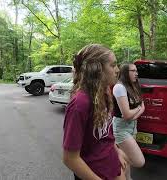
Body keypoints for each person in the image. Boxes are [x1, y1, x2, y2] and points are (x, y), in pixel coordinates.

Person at [62, 44, 127, 180]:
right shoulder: (80, 104)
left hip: (112, 165)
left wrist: (117, 151)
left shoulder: (105, 92)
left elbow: (106, 134)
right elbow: (70, 158)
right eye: (113, 65)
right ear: (97, 69)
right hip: (93, 174)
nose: (117, 70)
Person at [112, 62, 145, 180]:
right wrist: (137, 109)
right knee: (138, 161)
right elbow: (126, 115)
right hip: (121, 127)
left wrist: (134, 114)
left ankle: (127, 178)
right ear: (125, 72)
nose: (136, 73)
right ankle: (112, 160)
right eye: (133, 71)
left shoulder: (133, 86)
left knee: (126, 158)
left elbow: (143, 107)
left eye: (136, 71)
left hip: (132, 126)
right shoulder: (119, 87)